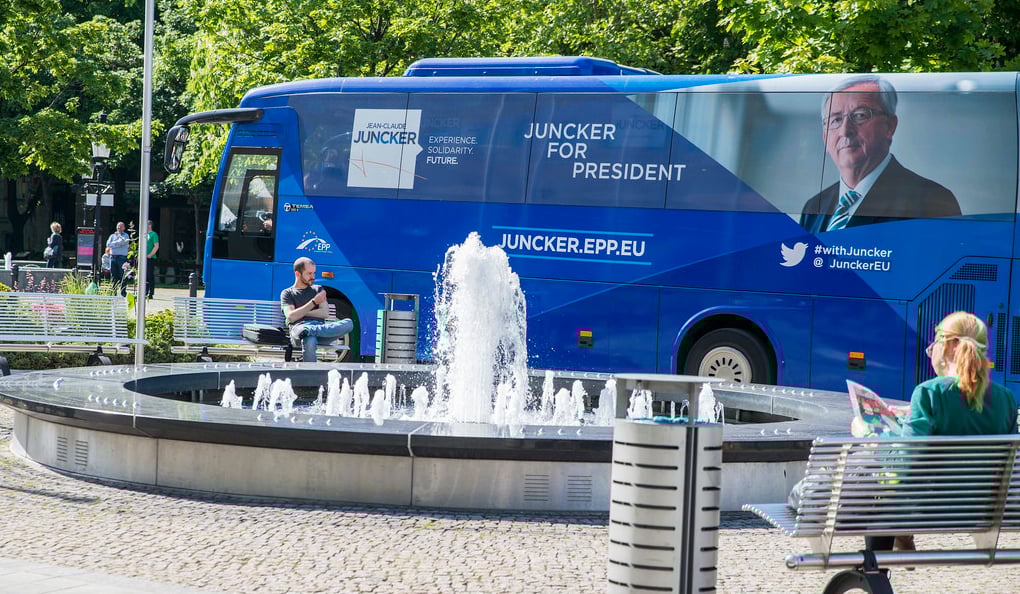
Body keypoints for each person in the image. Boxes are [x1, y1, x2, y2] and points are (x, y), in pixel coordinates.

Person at [851, 311, 1018, 553]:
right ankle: (900, 537)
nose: (932, 349)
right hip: (982, 509)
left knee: (879, 483)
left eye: (936, 341)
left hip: (923, 510)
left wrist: (868, 436)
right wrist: (912, 418)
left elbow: (904, 464)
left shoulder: (928, 392)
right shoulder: (1006, 399)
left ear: (949, 345)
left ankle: (880, 565)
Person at [800, 75, 961, 233]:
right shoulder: (814, 207)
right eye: (835, 120)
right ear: (825, 137)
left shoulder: (931, 200)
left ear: (889, 126)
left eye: (860, 115)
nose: (845, 131)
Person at [280, 257, 353, 362]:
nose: (313, 277)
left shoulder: (318, 289)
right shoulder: (287, 293)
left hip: (320, 331)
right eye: (309, 274)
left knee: (348, 323)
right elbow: (291, 316)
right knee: (309, 339)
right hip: (299, 330)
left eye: (314, 273)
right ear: (298, 274)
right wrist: (314, 302)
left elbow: (324, 313)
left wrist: (300, 313)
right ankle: (311, 374)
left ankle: (309, 331)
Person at [107, 221, 130, 296]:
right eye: (118, 226)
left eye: (121, 226)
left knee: (122, 275)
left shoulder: (126, 236)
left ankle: (123, 292)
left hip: (121, 258)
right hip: (112, 257)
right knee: (113, 275)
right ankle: (113, 292)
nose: (119, 228)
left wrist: (114, 244)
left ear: (124, 228)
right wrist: (116, 244)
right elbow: (108, 244)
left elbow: (122, 243)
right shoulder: (112, 236)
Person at [145, 220, 159, 299]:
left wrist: (150, 254)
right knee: (144, 276)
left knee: (150, 275)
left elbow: (156, 246)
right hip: (143, 258)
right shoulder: (144, 235)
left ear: (150, 225)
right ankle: (145, 291)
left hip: (150, 258)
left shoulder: (154, 234)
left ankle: (150, 292)